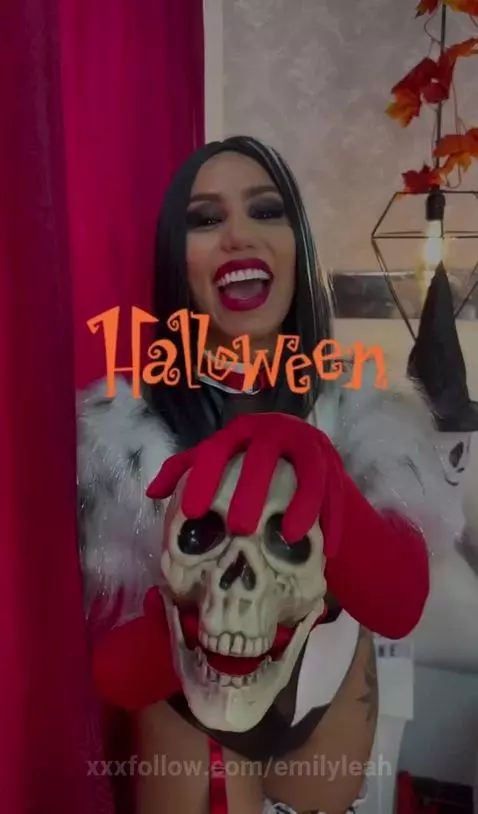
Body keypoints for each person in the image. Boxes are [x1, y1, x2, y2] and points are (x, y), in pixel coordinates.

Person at [77, 136, 466, 814]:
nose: (238, 234)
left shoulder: (366, 414)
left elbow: (399, 602)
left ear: (296, 244)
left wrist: (320, 470)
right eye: (206, 219)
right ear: (176, 258)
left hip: (326, 716)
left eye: (265, 210)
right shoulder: (123, 435)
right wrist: (186, 632)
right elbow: (116, 668)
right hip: (189, 719)